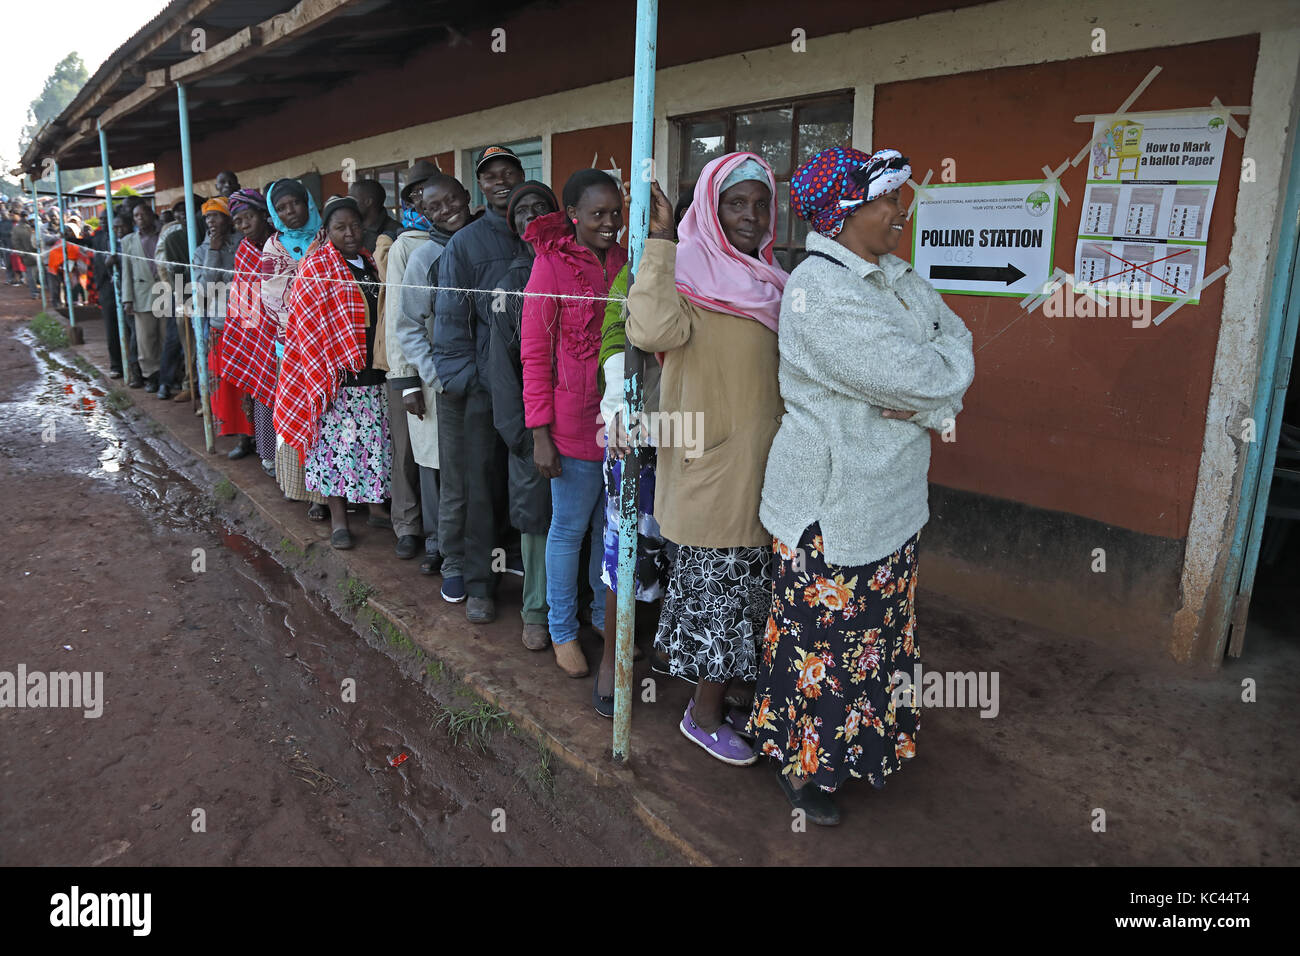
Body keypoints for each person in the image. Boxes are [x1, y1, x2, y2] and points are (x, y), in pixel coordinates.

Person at [750, 147, 974, 825]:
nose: (899, 212)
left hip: (891, 501)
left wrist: (933, 392)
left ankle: (865, 748)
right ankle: (801, 768)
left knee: (877, 639)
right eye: (886, 202)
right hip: (833, 507)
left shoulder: (894, 277)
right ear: (845, 213)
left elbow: (955, 343)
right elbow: (930, 375)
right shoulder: (821, 292)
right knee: (821, 645)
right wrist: (934, 390)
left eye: (897, 199)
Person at [626, 152, 789, 766]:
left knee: (749, 599)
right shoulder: (687, 268)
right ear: (711, 207)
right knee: (718, 603)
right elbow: (650, 332)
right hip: (710, 467)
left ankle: (728, 702)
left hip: (766, 469)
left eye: (760, 204)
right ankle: (700, 716)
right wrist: (662, 242)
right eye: (735, 203)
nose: (750, 216)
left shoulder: (770, 277)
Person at [522, 169, 627, 678]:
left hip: (623, 424)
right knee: (568, 529)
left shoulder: (628, 262)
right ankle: (563, 629)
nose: (610, 224)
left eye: (616, 213)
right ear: (573, 216)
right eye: (598, 215)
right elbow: (535, 354)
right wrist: (540, 433)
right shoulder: (550, 266)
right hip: (569, 425)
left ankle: (598, 617)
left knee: (612, 528)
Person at [432, 145, 527, 622]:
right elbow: (449, 320)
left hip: (535, 392)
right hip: (485, 390)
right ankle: (478, 586)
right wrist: (468, 381)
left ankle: (519, 569)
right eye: (491, 177)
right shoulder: (465, 244)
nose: (501, 181)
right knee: (479, 490)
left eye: (509, 173)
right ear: (481, 187)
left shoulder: (540, 236)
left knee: (526, 487)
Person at [276, 195, 392, 550]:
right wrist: (326, 368)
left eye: (355, 225)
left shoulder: (370, 263)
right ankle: (339, 519)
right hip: (334, 378)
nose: (350, 233)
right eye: (340, 227)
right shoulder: (315, 267)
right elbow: (306, 326)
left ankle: (375, 506)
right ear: (326, 231)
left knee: (373, 445)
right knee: (334, 451)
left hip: (372, 372)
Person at [393, 171, 480, 582]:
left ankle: (487, 558)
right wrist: (434, 375)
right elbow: (407, 324)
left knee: (488, 470)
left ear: (466, 195)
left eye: (452, 200)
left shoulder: (487, 240)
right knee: (450, 475)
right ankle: (451, 557)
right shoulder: (423, 257)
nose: (447, 211)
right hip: (449, 383)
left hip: (495, 381)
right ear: (422, 213)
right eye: (434, 207)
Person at [592, 261, 670, 716]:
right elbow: (617, 343)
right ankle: (612, 660)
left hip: (709, 440)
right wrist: (622, 414)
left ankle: (672, 648)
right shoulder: (636, 273)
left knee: (687, 552)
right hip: (640, 433)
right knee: (626, 548)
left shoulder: (747, 271)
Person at [487, 180, 559, 650]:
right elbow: (503, 370)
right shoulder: (509, 286)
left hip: (579, 420)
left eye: (541, 207)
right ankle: (536, 609)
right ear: (511, 224)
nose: (531, 215)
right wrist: (523, 434)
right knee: (535, 520)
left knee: (577, 520)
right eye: (521, 210)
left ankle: (575, 610)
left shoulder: (578, 272)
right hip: (533, 427)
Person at [374, 160, 441, 563]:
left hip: (453, 368)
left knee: (443, 457)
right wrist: (405, 380)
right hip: (415, 369)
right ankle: (416, 530)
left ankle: (443, 536)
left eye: (426, 190)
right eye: (414, 194)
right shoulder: (405, 245)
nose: (421, 198)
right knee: (414, 454)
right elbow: (401, 314)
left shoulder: (459, 235)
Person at [263, 179, 328, 516]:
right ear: (275, 212)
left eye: (296, 204)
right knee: (297, 416)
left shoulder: (327, 238)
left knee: (326, 419)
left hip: (329, 346)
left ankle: (329, 492)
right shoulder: (273, 248)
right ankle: (304, 490)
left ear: (308, 203)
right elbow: (274, 300)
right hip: (291, 349)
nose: (290, 212)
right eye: (283, 207)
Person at [220, 188, 279, 472]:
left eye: (249, 218)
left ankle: (293, 462)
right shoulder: (244, 251)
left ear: (263, 216)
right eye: (239, 221)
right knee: (263, 394)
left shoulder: (281, 243)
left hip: (286, 332)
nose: (244, 225)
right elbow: (243, 299)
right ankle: (269, 456)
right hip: (258, 333)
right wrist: (252, 338)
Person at [192, 196, 245, 449]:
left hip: (246, 323)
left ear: (228, 218)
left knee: (246, 383)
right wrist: (213, 251)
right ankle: (233, 433)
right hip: (219, 325)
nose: (211, 221)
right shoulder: (202, 250)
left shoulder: (241, 242)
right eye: (207, 217)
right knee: (225, 385)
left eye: (216, 215)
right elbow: (204, 290)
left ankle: (251, 437)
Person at [119, 202, 166, 391]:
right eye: (136, 216)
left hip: (164, 292)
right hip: (141, 294)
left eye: (143, 214)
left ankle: (166, 375)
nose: (140, 218)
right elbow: (126, 271)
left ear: (152, 215)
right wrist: (127, 298)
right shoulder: (129, 241)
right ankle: (151, 376)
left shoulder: (162, 235)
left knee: (165, 336)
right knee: (146, 340)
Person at [90, 212, 132, 378]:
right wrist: (107, 264)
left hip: (129, 288)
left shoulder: (128, 240)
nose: (116, 229)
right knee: (112, 327)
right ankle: (116, 365)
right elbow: (97, 261)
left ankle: (133, 366)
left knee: (132, 329)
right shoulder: (101, 238)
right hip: (108, 288)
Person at [350, 179, 400, 254]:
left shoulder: (395, 231)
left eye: (352, 199)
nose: (348, 203)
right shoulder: (351, 229)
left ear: (368, 202)